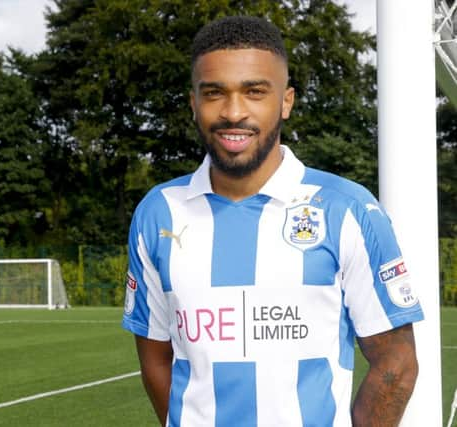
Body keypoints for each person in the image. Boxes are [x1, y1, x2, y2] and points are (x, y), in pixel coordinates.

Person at [121, 15, 423, 427]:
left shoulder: (347, 209)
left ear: (286, 101)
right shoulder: (158, 212)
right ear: (194, 102)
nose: (233, 112)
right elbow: (155, 359)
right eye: (214, 93)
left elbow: (397, 362)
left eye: (254, 92)